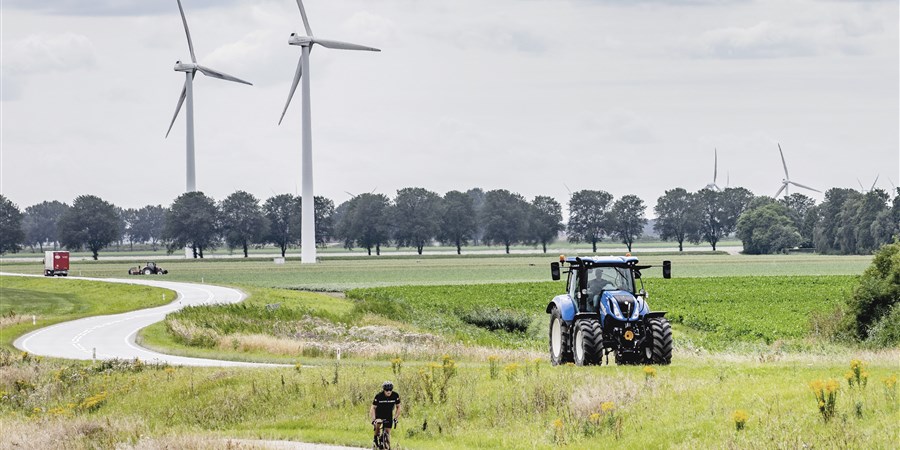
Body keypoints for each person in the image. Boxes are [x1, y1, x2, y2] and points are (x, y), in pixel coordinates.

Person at [370, 381, 401, 446]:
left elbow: (398, 407)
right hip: (379, 414)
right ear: (384, 390)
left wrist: (395, 418)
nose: (388, 391)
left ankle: (387, 445)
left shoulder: (395, 395)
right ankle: (375, 438)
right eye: (387, 390)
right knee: (378, 424)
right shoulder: (379, 396)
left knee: (387, 432)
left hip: (388, 414)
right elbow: (373, 408)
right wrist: (373, 419)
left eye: (390, 390)